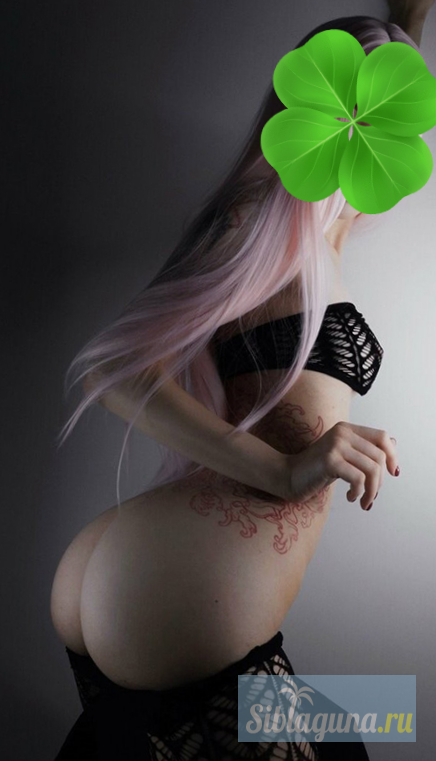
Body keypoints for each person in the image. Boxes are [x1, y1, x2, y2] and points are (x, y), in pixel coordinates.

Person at [51, 4, 432, 759]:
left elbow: (389, 104)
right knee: (364, 736)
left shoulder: (326, 234)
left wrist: (407, 22)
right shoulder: (258, 215)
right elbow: (113, 370)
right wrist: (288, 471)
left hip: (150, 594)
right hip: (175, 601)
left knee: (375, 721)